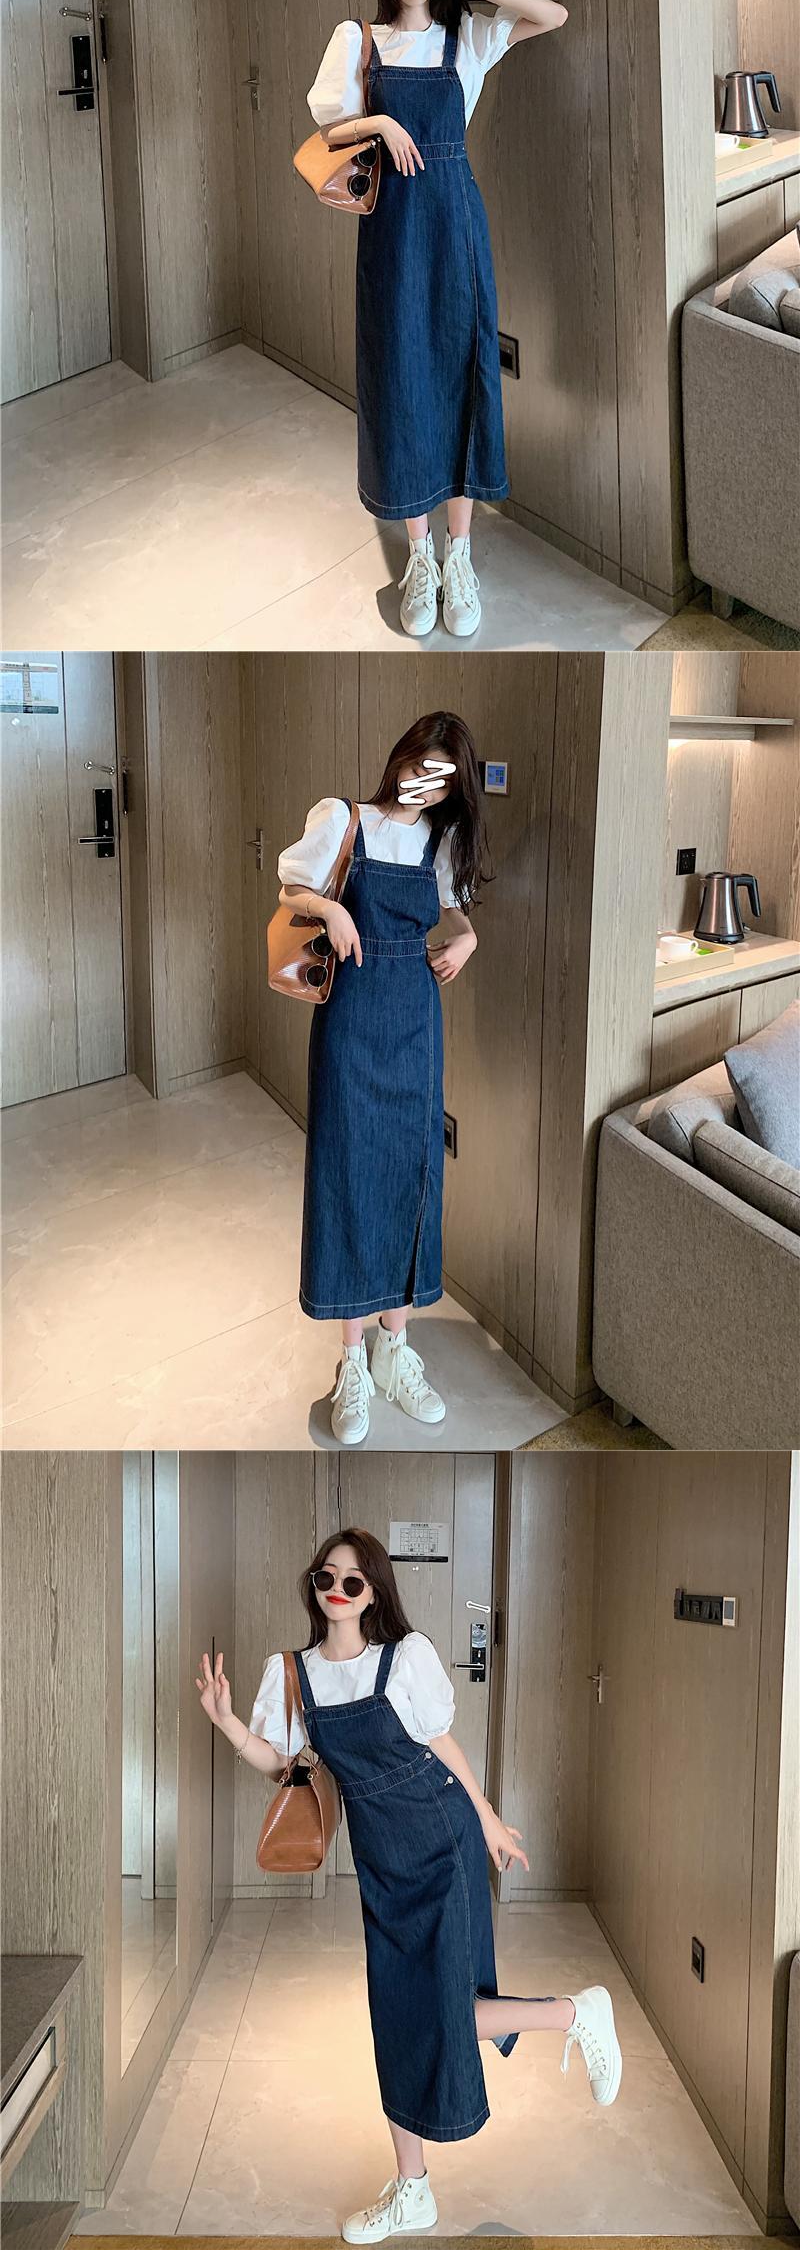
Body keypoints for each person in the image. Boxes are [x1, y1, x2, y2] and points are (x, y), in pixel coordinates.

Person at [196, 1528, 623, 2245]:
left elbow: (440, 1744)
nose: (336, 1590)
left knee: (439, 2006)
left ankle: (575, 2014)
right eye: (325, 1577)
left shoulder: (404, 1657)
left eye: (352, 1581)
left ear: (373, 1593)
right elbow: (284, 1766)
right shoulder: (295, 1673)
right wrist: (228, 1722)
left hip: (442, 1840)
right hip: (382, 1859)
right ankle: (414, 2189)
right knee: (396, 2014)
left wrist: (488, 1819)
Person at [306, 0, 569, 641]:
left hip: (456, 229)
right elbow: (328, 129)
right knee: (401, 379)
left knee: (461, 375)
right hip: (392, 233)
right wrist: (381, 125)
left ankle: (461, 554)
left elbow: (553, 15)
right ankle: (418, 557)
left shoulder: (468, 38)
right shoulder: (359, 40)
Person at [277, 712, 490, 1443]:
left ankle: (396, 1352)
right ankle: (353, 1366)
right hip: (351, 1018)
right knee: (346, 1172)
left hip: (416, 1022)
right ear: (402, 757)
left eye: (444, 780)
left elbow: (456, 917)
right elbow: (289, 888)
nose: (427, 786)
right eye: (422, 767)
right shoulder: (343, 820)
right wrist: (329, 907)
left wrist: (466, 942)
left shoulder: (440, 840)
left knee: (410, 1171)